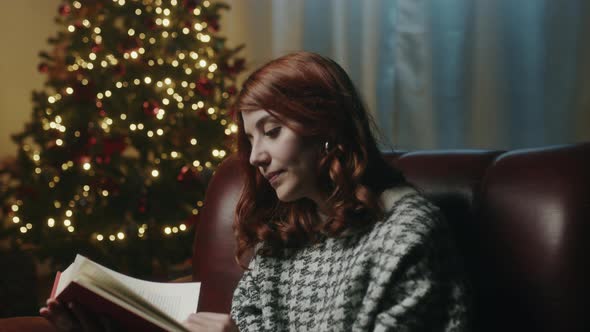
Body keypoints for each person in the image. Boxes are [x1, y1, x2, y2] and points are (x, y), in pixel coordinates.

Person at [41, 51, 470, 331]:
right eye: (251, 139)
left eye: (273, 131)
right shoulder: (286, 236)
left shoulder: (407, 233)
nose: (256, 157)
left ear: (327, 128)